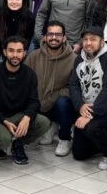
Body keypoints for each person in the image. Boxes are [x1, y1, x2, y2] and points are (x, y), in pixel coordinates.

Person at [69, 27, 107, 170]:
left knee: (92, 128)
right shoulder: (79, 59)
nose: (88, 43)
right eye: (85, 39)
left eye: (93, 39)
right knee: (79, 154)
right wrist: (80, 106)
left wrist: (90, 115)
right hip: (89, 106)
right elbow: (73, 84)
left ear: (102, 42)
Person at [0, 36, 51, 165]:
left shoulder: (30, 74)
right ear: (5, 52)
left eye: (19, 51)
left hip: (18, 116)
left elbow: (34, 101)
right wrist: (3, 120)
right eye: (11, 50)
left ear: (24, 53)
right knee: (3, 140)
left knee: (43, 122)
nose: (15, 55)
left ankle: (18, 143)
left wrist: (27, 117)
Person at [23, 21, 77, 157]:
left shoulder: (74, 59)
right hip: (38, 103)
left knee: (63, 103)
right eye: (50, 34)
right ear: (45, 37)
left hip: (58, 103)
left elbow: (74, 87)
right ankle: (50, 126)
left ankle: (64, 139)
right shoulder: (34, 56)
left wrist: (54, 97)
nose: (54, 38)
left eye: (58, 35)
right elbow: (24, 80)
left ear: (64, 38)